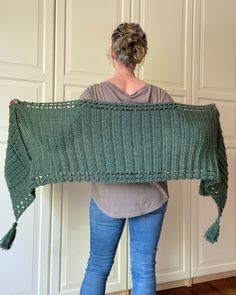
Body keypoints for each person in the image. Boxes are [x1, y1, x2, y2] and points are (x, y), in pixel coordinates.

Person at [79, 23, 175, 295]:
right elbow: (179, 141)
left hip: (108, 195)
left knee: (97, 267)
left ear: (111, 53)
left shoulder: (94, 95)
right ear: (139, 56)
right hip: (151, 196)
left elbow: (68, 135)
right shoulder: (160, 97)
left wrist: (24, 116)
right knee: (144, 270)